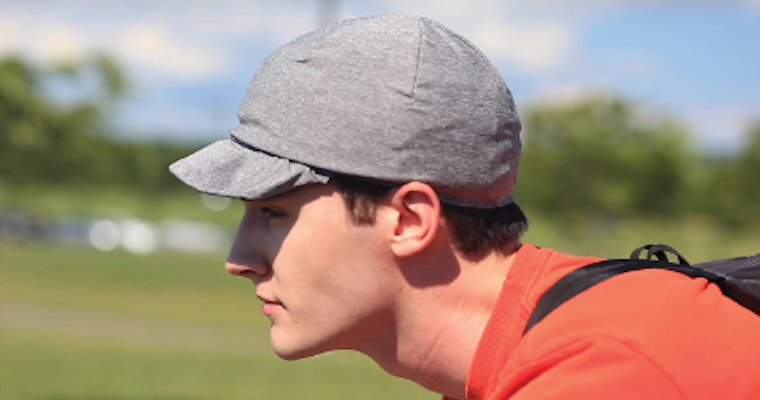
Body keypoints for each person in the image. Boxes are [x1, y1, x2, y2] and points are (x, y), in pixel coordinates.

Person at [170, 13, 760, 400]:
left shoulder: (607, 377)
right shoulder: (544, 345)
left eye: (273, 214)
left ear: (409, 219)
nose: (240, 259)